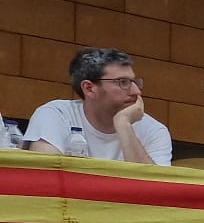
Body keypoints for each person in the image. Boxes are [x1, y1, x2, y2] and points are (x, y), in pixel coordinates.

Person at [25, 48, 173, 164]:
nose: (136, 91)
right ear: (89, 88)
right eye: (123, 82)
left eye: (134, 82)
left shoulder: (154, 130)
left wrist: (123, 125)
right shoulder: (56, 115)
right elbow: (45, 177)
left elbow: (154, 191)